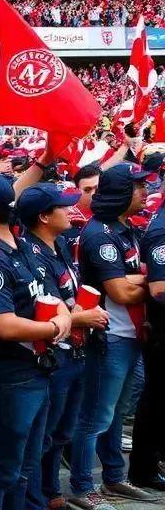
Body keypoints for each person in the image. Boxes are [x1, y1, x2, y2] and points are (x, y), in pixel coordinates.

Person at [0, 174, 71, 509]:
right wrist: (56, 327)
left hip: (35, 374)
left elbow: (53, 296)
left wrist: (62, 316)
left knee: (24, 469)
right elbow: (6, 326)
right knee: (2, 472)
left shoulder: (21, 246)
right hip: (7, 379)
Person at [16, 184, 111, 510]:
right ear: (43, 216)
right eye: (63, 206)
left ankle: (50, 491)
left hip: (75, 354)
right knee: (41, 437)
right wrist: (84, 317)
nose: (72, 210)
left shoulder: (56, 244)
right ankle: (33, 500)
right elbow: (44, 306)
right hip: (54, 357)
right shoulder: (31, 253)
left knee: (60, 433)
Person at [70, 163, 157, 509]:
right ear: (122, 191)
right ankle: (81, 485)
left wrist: (139, 282)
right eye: (137, 186)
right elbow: (121, 291)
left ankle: (113, 478)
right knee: (95, 416)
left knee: (115, 413)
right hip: (109, 338)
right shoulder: (100, 234)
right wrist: (150, 284)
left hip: (129, 334)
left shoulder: (125, 229)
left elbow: (133, 279)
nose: (144, 191)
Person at [132, 177, 165, 493]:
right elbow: (159, 289)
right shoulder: (162, 230)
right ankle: (144, 467)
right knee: (156, 400)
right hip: (161, 332)